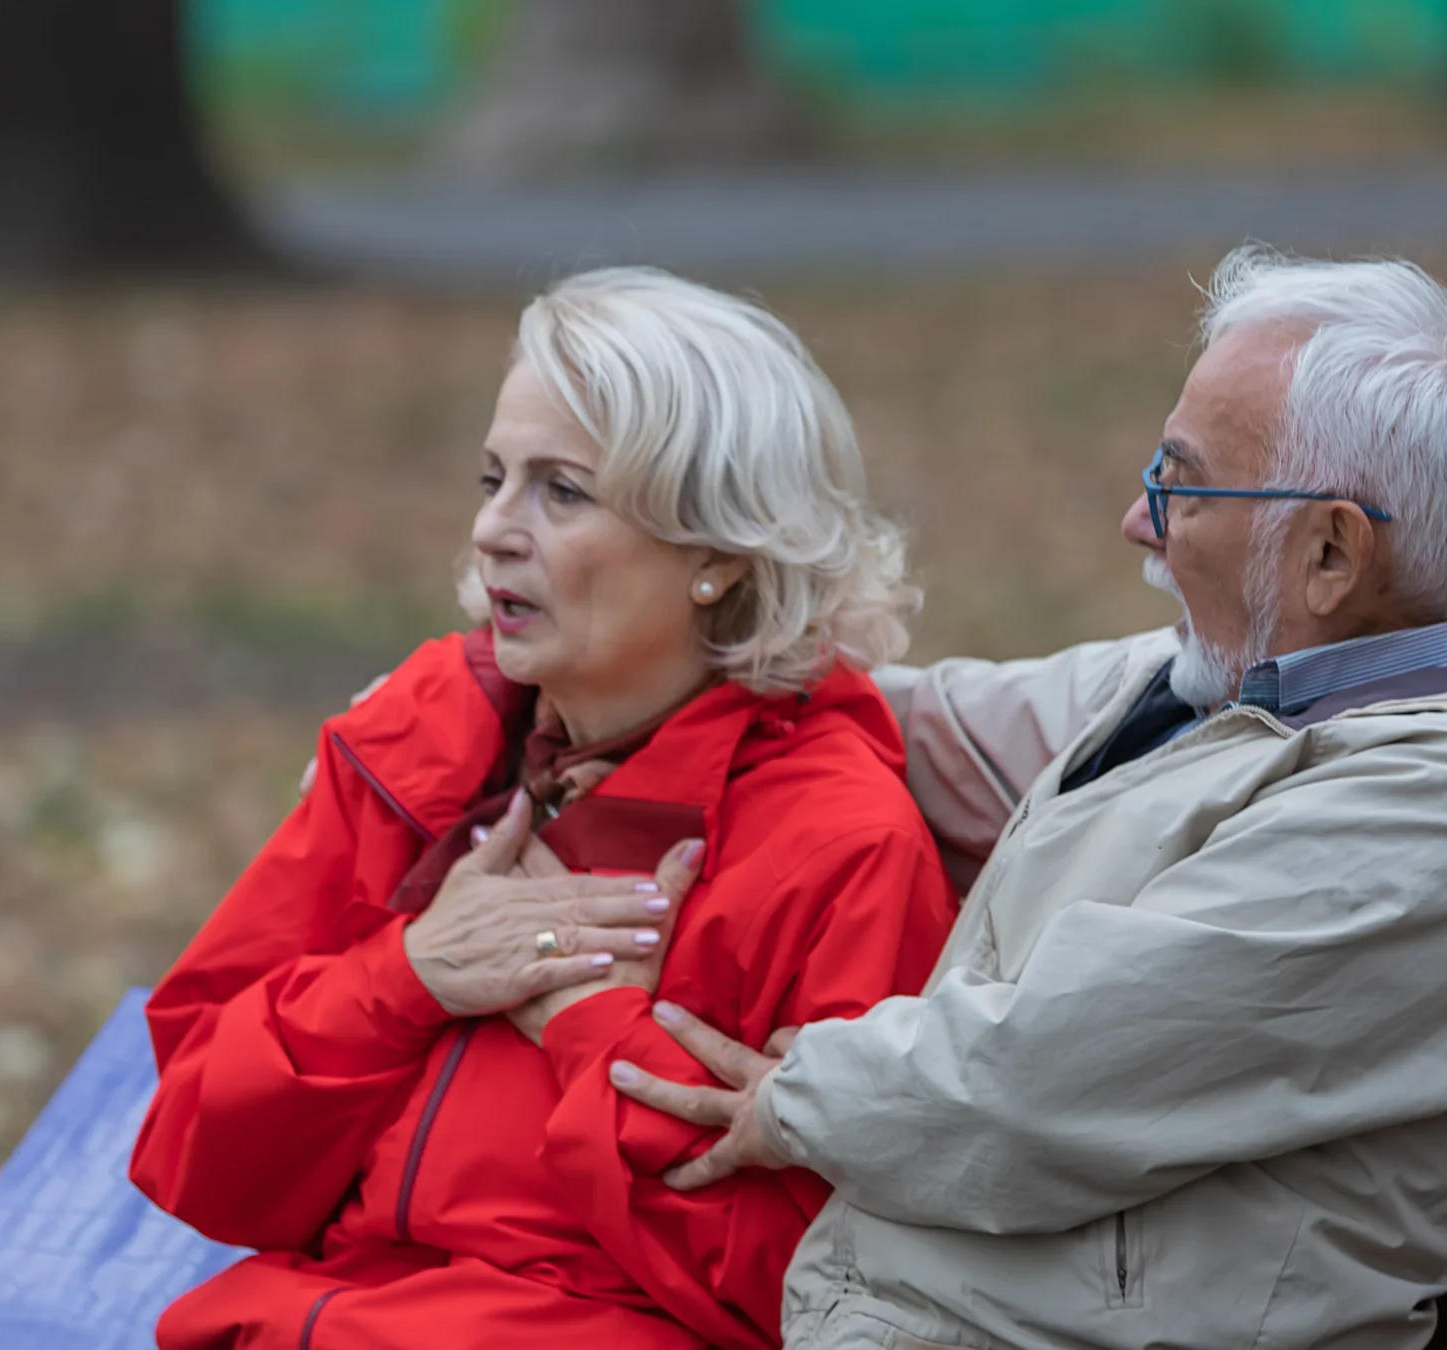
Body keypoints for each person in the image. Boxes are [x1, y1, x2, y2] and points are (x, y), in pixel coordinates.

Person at [608, 246, 1447, 1350]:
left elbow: (1031, 1083)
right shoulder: (1212, 682)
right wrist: (586, 683)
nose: (1139, 521)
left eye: (1181, 485)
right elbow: (908, 725)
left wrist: (795, 1099)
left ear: (1331, 553)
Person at [128, 267, 959, 1350]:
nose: (493, 533)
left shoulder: (837, 847)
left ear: (714, 552)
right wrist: (408, 977)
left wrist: (586, 1028)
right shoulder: (419, 743)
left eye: (561, 492)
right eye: (492, 480)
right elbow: (194, 1152)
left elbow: (822, 1294)